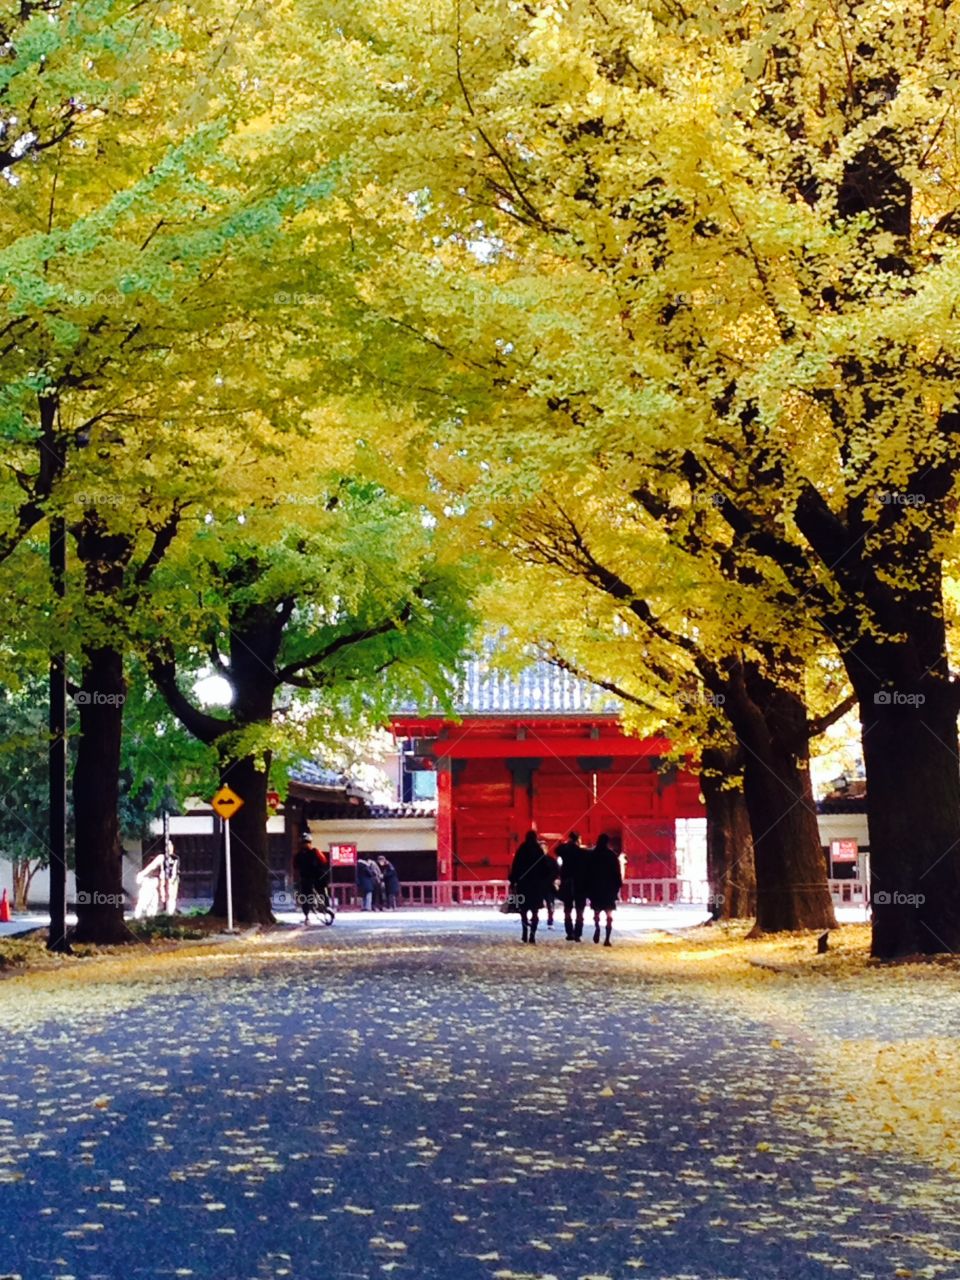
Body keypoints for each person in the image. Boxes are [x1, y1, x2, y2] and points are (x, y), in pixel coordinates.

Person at [508, 829, 552, 944]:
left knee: (523, 910)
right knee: (535, 912)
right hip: (536, 886)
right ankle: (532, 935)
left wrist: (513, 881)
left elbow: (515, 866)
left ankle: (524, 933)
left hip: (524, 885)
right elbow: (545, 867)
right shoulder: (538, 850)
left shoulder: (522, 849)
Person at [585, 833, 623, 946]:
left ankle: (597, 927)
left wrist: (588, 888)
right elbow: (617, 873)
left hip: (596, 888)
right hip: (609, 889)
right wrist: (617, 887)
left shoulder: (592, 855)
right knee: (609, 914)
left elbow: (588, 872)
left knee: (596, 912)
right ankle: (607, 938)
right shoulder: (612, 856)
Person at [556, 830, 587, 942]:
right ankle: (578, 934)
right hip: (579, 883)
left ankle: (569, 932)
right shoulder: (581, 851)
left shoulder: (564, 850)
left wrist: (565, 843)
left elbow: (557, 850)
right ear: (578, 839)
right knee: (580, 910)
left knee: (567, 909)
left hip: (567, 882)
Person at [294, 836, 329, 923]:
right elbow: (295, 866)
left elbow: (324, 861)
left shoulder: (315, 852)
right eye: (304, 843)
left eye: (307, 843)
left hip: (316, 877)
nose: (306, 845)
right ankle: (307, 915)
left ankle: (326, 908)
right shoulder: (300, 855)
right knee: (306, 897)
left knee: (321, 893)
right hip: (307, 878)